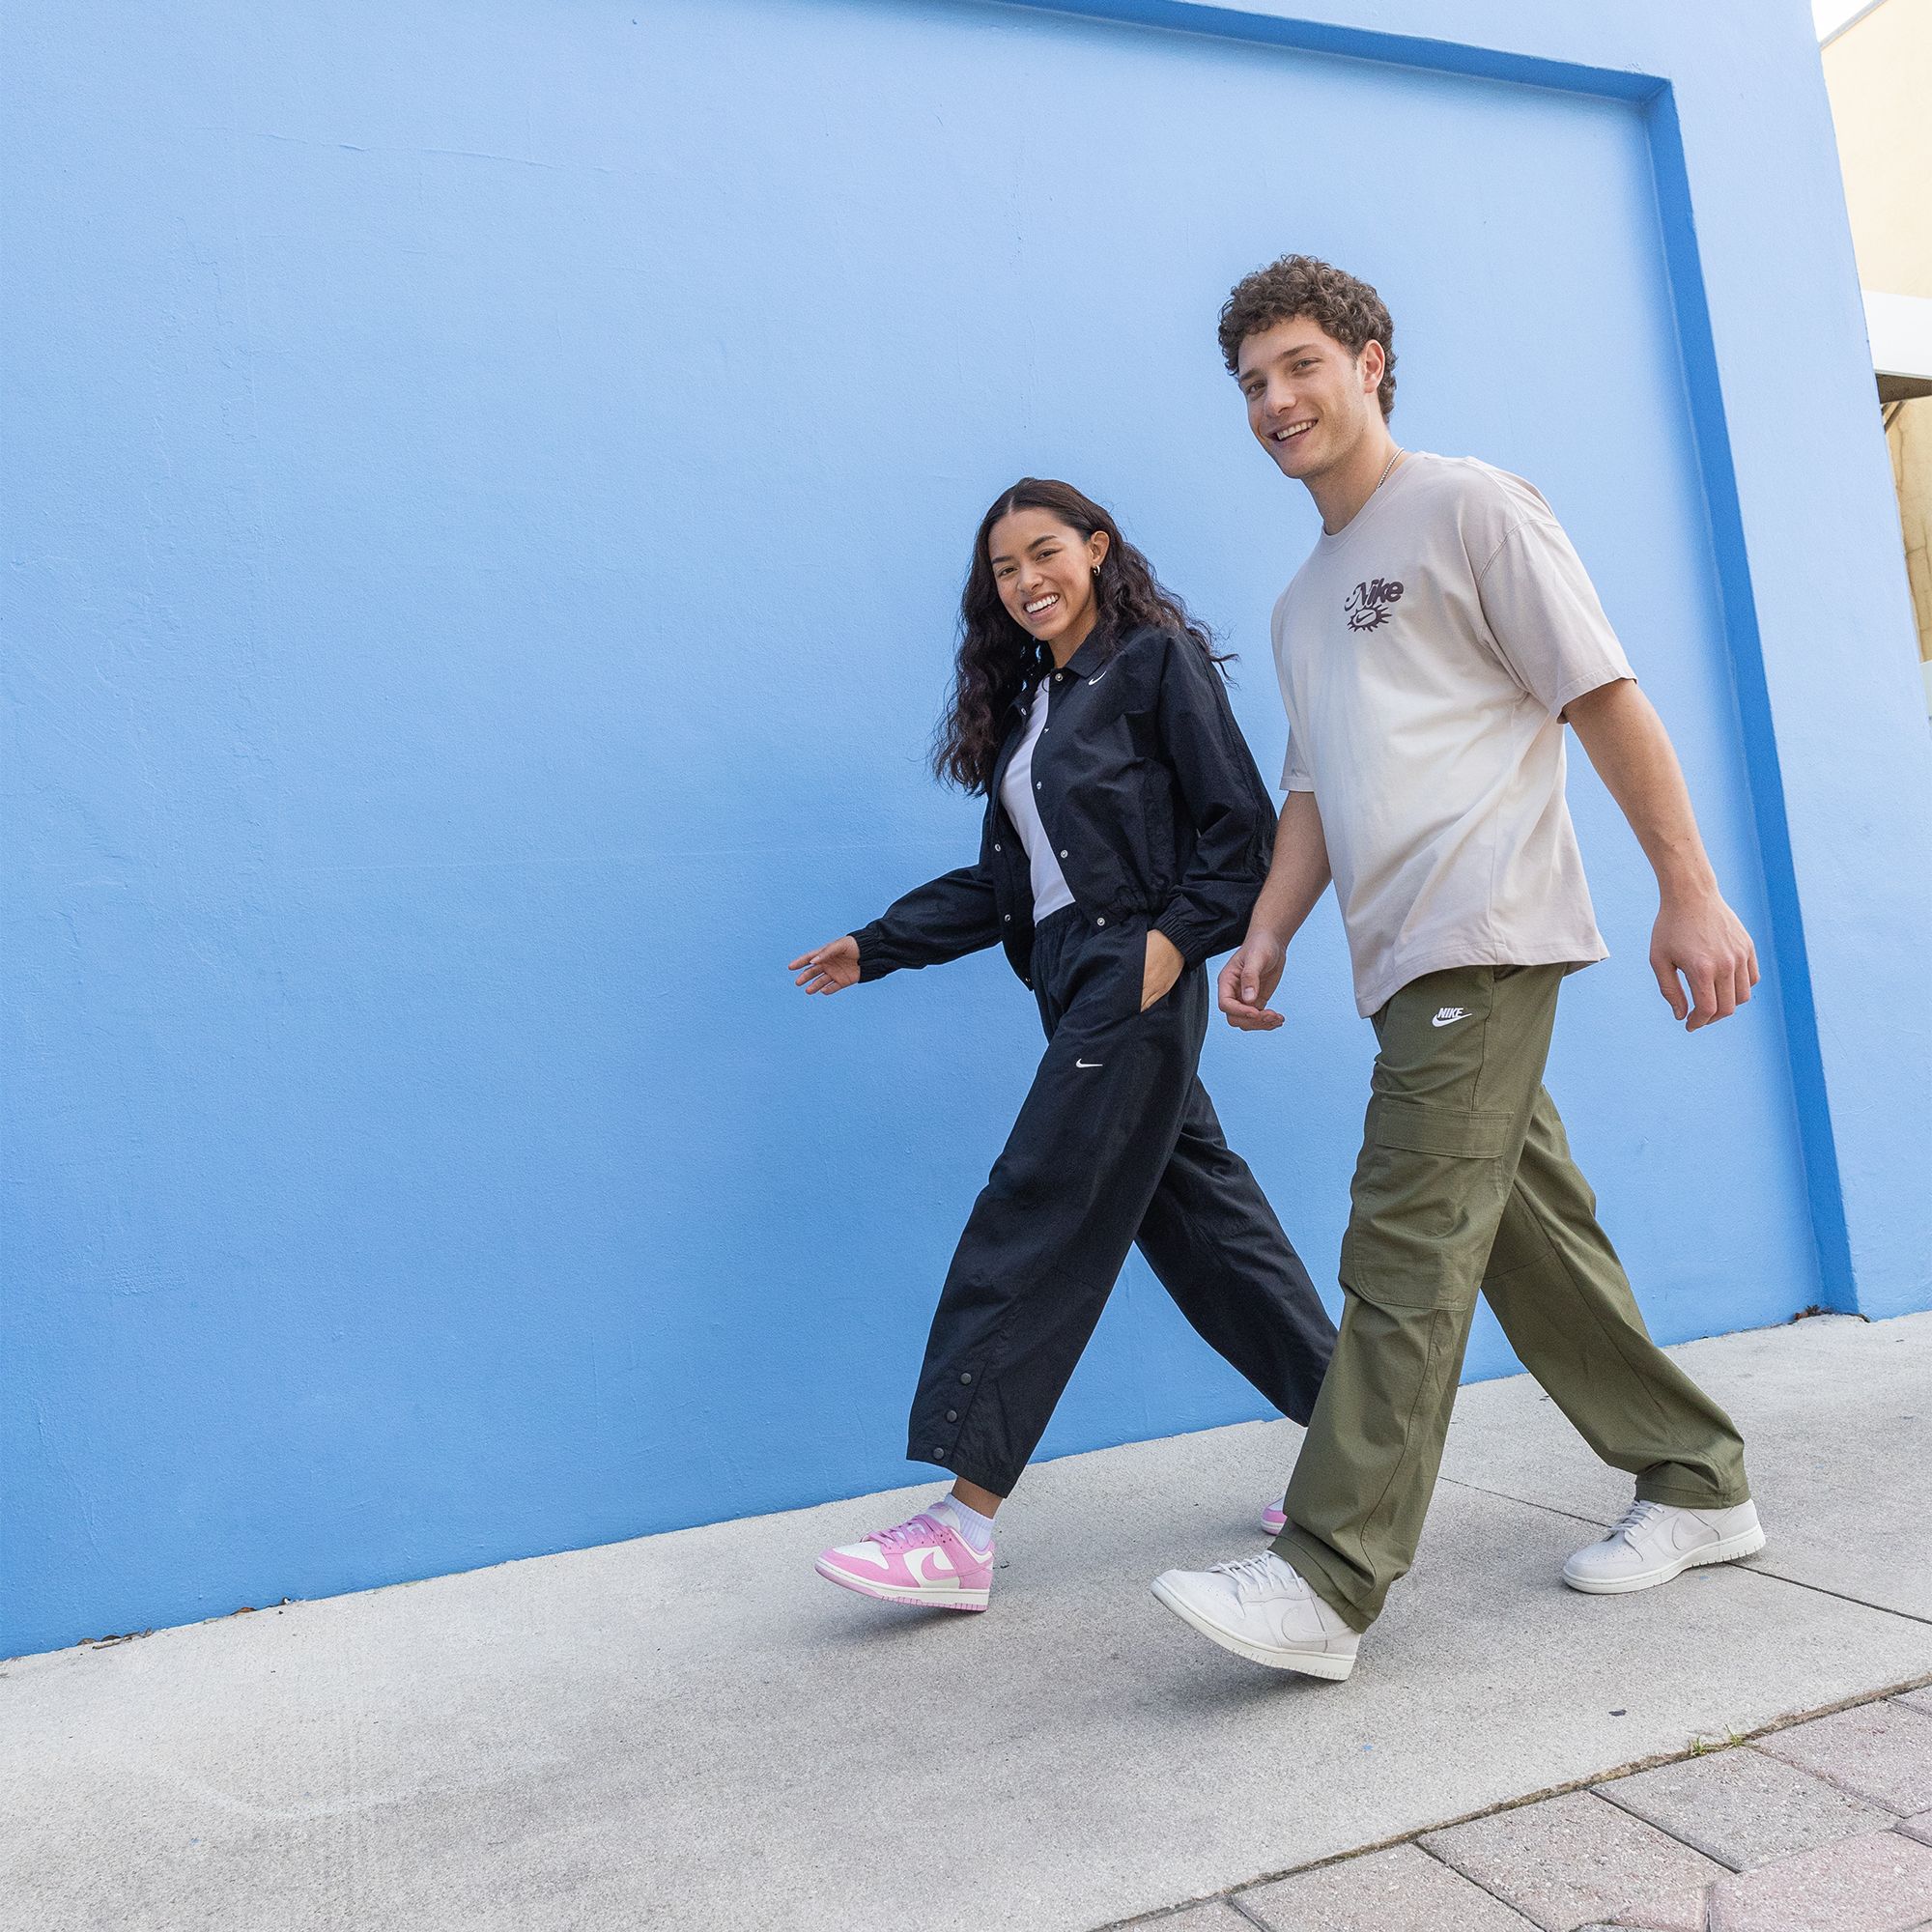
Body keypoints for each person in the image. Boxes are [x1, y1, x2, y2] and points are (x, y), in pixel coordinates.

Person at [1151, 257, 1763, 1681]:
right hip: (1399, 951)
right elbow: (1313, 791)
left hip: (1486, 928)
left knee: (1409, 1236)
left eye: (1301, 364)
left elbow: (1601, 694)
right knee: (1524, 1241)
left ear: (1371, 360)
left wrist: (1690, 889)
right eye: (1251, 382)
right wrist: (1271, 927)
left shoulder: (1471, 507)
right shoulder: (1306, 597)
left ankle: (1328, 1572)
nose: (1276, 400)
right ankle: (1695, 1477)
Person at [790, 477, 1336, 1613]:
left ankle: (959, 1524)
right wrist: (878, 943)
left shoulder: (1151, 660)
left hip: (1126, 974)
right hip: (1076, 979)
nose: (1026, 580)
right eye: (1003, 569)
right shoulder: (1035, 709)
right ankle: (1359, 1451)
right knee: (1206, 1228)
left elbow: (1238, 825)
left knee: (1036, 1204)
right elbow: (1006, 887)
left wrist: (1168, 946)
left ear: (1096, 549)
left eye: (1045, 553)